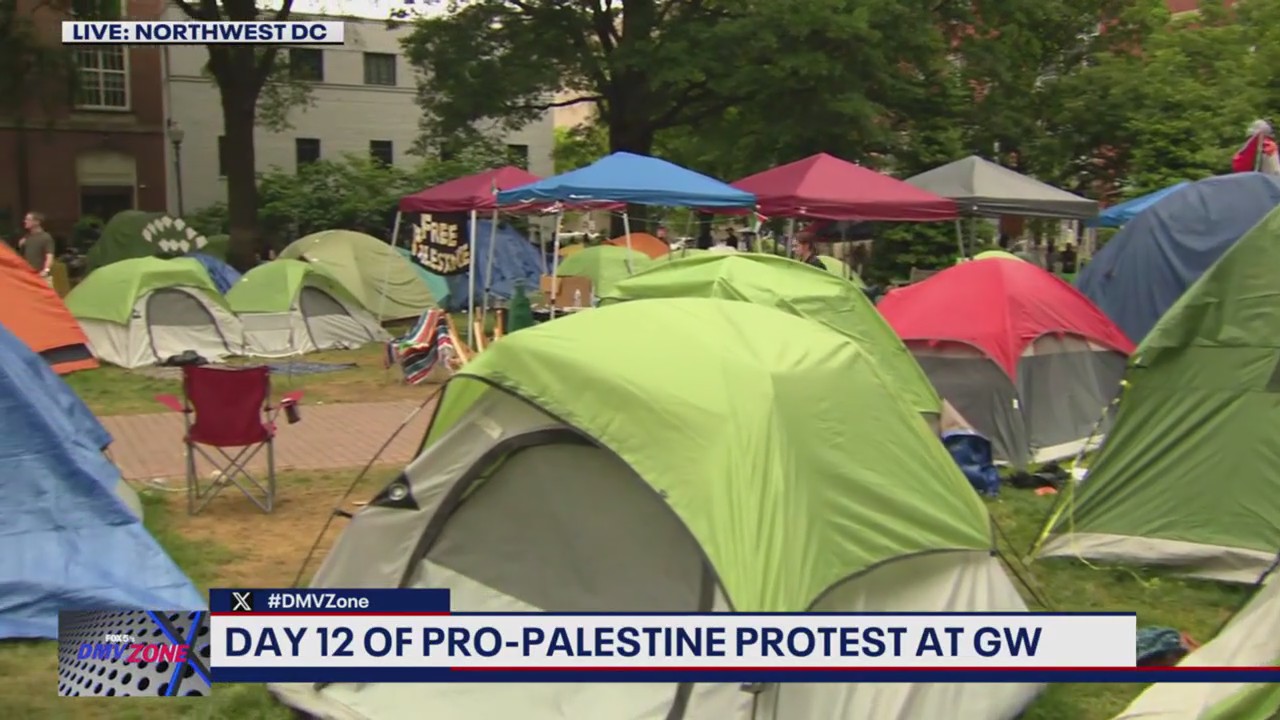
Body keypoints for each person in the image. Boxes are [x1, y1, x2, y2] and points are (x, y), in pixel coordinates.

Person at [18, 211, 54, 285]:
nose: (25, 221)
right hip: (28, 275)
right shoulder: (26, 237)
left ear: (36, 222)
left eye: (28, 219)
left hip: (42, 276)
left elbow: (49, 256)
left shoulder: (45, 237)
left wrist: (46, 271)